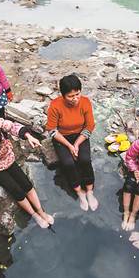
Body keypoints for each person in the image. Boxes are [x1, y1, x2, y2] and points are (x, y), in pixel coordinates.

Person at [46, 74, 97, 211]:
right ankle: (79, 192)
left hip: (80, 135)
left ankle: (90, 190)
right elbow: (52, 130)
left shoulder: (85, 102)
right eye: (70, 96)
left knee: (85, 159)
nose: (75, 99)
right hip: (62, 137)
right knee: (68, 163)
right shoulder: (55, 106)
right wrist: (69, 146)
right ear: (63, 95)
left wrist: (77, 144)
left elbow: (89, 126)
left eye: (77, 94)